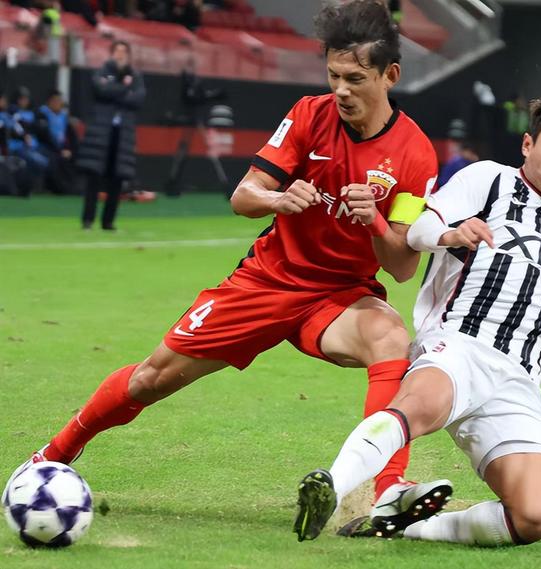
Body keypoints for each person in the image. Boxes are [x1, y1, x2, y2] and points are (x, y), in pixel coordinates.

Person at [7, 0, 445, 533]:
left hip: (338, 297)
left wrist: (375, 221)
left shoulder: (416, 154)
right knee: (149, 379)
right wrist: (278, 199)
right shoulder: (309, 114)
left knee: (390, 336)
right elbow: (244, 196)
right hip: (267, 281)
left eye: (355, 79)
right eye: (333, 75)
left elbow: (401, 267)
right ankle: (53, 455)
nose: (341, 90)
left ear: (390, 75)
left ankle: (386, 491)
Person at [295, 92, 541, 545]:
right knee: (418, 406)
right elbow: (421, 229)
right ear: (528, 145)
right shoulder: (488, 180)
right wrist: (452, 233)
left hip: (519, 382)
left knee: (534, 517)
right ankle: (331, 487)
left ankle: (408, 529)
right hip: (459, 346)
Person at [78, 40, 146, 230]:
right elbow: (101, 90)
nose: (120, 54)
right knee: (94, 178)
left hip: (122, 134)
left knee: (117, 179)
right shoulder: (102, 71)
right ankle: (88, 219)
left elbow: (138, 99)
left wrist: (115, 90)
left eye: (124, 51)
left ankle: (108, 221)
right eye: (117, 50)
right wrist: (124, 88)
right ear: (112, 53)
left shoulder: (135, 76)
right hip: (101, 133)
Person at [33, 89, 79, 195]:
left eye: (60, 101)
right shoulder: (41, 114)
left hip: (60, 149)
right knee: (55, 159)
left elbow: (72, 137)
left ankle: (71, 187)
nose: (59, 103)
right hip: (43, 147)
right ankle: (58, 188)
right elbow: (45, 136)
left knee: (72, 157)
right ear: (50, 102)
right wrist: (60, 150)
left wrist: (70, 150)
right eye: (56, 101)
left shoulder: (64, 117)